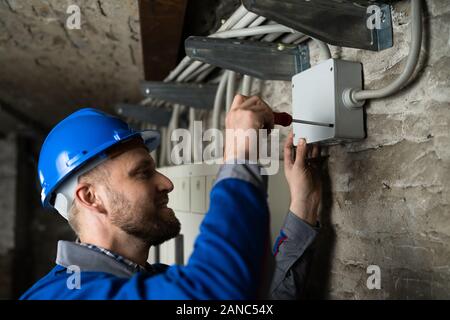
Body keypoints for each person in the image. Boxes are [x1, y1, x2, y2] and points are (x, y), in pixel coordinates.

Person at [20, 95, 321, 300]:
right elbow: (219, 290)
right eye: (142, 172)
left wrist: (304, 204)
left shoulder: (149, 281)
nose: (166, 183)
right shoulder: (64, 294)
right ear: (91, 197)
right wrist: (240, 154)